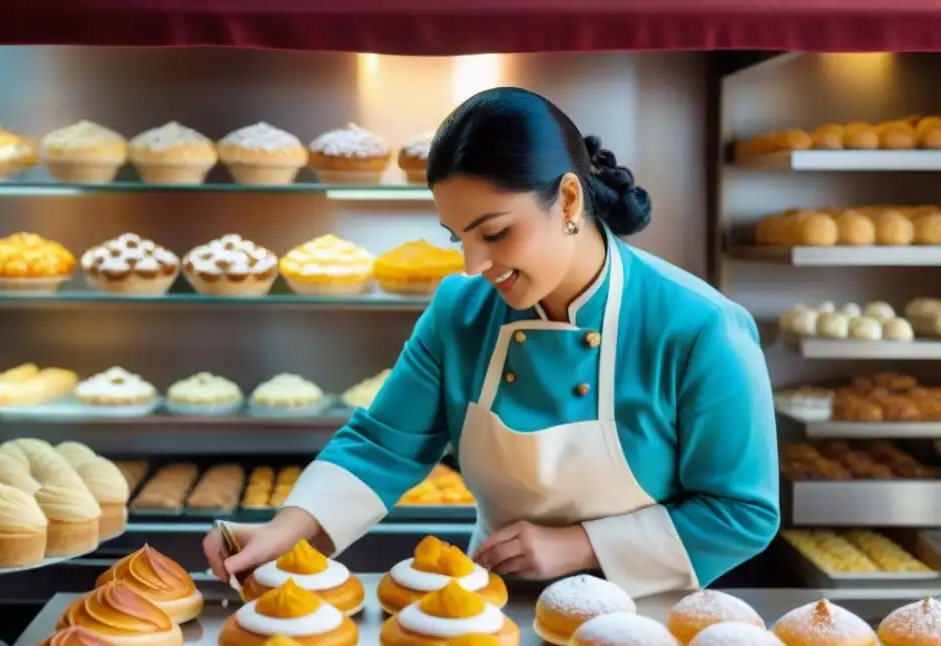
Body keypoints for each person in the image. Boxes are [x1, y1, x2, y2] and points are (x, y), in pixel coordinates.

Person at [205, 86, 779, 598]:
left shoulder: (699, 327)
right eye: (458, 238)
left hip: (647, 619)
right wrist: (287, 529)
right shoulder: (461, 310)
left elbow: (741, 512)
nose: (475, 264)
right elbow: (383, 445)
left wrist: (579, 546)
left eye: (496, 233)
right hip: (487, 611)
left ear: (571, 201)